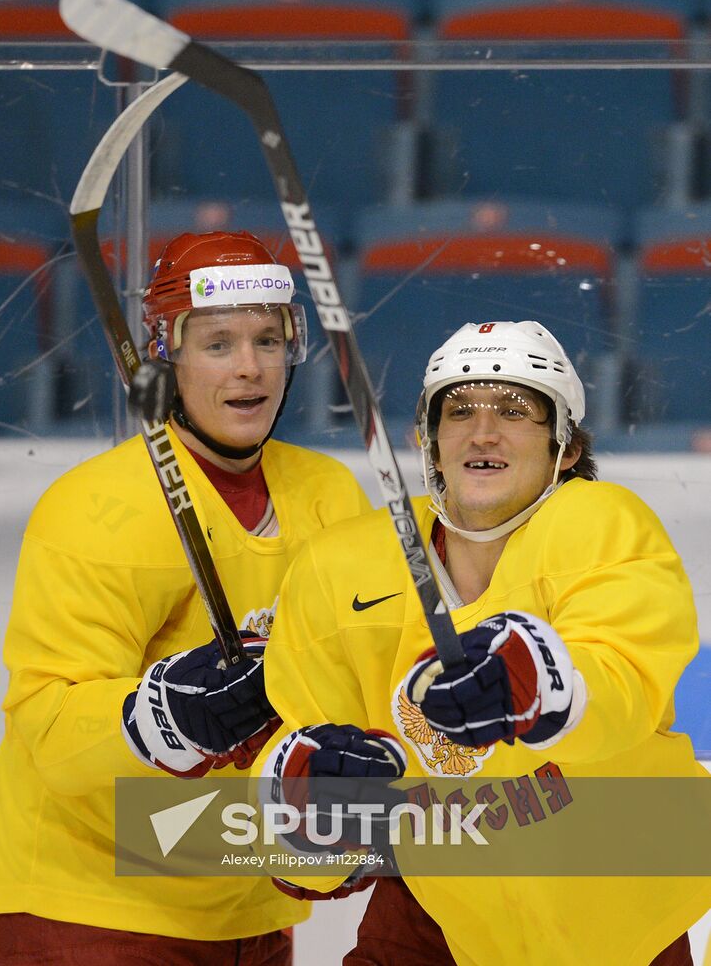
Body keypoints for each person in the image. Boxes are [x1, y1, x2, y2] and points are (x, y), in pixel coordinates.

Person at [0, 230, 372, 965]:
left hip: (245, 907)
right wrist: (164, 716)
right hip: (85, 910)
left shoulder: (329, 495)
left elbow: (355, 682)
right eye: (217, 344)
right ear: (165, 355)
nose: (249, 367)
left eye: (268, 340)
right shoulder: (99, 508)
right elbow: (50, 729)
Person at [258, 320, 710, 966]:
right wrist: (305, 812)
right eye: (460, 410)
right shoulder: (341, 566)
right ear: (429, 441)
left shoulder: (601, 523)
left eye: (514, 410)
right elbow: (304, 765)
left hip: (613, 910)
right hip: (439, 901)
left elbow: (620, 678)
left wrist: (539, 682)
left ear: (566, 448)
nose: (483, 431)